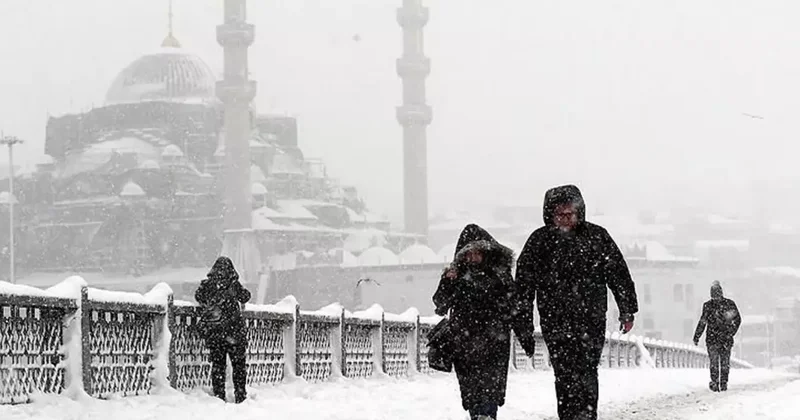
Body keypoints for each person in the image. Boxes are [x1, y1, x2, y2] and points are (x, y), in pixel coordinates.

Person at [514, 185, 639, 420]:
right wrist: (523, 326)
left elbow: (618, 274)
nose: (565, 219)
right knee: (564, 373)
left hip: (590, 319)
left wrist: (627, 310)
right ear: (550, 215)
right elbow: (523, 287)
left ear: (579, 213)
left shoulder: (597, 237)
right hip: (555, 320)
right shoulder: (539, 242)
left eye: (569, 214)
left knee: (587, 370)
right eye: (559, 214)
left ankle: (586, 415)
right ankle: (570, 415)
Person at [433, 224, 535, 420]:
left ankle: (486, 416)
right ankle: (479, 416)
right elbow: (440, 305)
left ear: (486, 252)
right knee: (471, 392)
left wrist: (525, 336)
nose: (472, 258)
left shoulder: (500, 277)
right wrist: (447, 281)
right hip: (464, 344)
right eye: (468, 254)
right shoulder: (458, 277)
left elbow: (515, 309)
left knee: (490, 390)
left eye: (476, 253)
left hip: (493, 342)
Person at [195, 256, 252, 403]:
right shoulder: (233, 284)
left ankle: (219, 396)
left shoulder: (208, 285)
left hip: (216, 333)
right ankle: (240, 395)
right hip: (234, 332)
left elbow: (198, 296)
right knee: (238, 366)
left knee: (218, 366)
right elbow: (245, 297)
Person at [693, 280, 741, 392]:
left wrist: (697, 336)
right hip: (724, 339)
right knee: (724, 362)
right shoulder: (729, 304)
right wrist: (731, 332)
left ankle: (716, 382)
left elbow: (703, 322)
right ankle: (722, 382)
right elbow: (737, 320)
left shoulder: (708, 306)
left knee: (715, 362)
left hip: (713, 338)